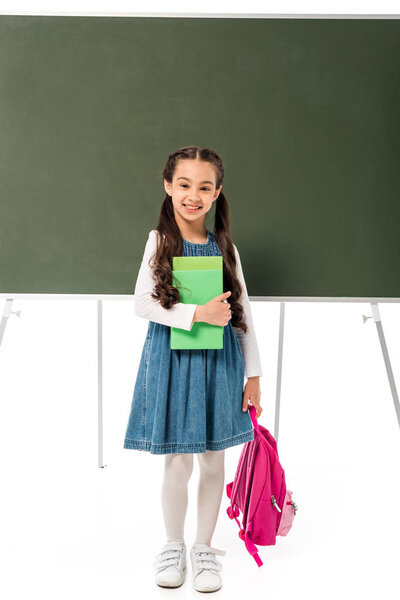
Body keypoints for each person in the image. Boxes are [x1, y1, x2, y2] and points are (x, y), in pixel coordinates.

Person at [123, 145, 263, 592]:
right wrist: (196, 314)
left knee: (212, 457)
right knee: (178, 460)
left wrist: (254, 375)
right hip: (173, 359)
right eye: (184, 185)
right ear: (168, 187)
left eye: (205, 187)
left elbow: (242, 313)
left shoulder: (225, 247)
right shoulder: (159, 240)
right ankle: (172, 544)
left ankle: (204, 549)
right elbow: (142, 303)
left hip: (219, 364)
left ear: (217, 192)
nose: (193, 195)